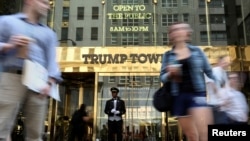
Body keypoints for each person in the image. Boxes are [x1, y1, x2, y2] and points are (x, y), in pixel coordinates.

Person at [0, 0, 62, 140]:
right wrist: (8, 45)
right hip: (11, 77)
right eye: (43, 2)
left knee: (35, 134)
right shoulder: (7, 22)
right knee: (1, 128)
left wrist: (50, 82)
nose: (47, 6)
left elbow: (52, 62)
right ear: (30, 1)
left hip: (38, 84)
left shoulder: (49, 34)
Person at [160, 22, 215, 141]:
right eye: (174, 30)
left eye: (181, 29)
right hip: (178, 97)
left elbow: (209, 72)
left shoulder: (197, 51)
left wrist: (221, 84)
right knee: (192, 136)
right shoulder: (168, 56)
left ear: (187, 33)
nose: (178, 32)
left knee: (204, 132)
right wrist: (170, 74)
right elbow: (162, 78)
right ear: (171, 35)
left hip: (197, 94)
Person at [205, 55, 231, 124]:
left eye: (228, 62)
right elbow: (211, 84)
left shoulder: (224, 73)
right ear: (219, 62)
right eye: (225, 62)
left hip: (222, 106)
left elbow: (226, 88)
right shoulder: (213, 71)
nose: (227, 63)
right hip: (215, 105)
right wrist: (221, 97)